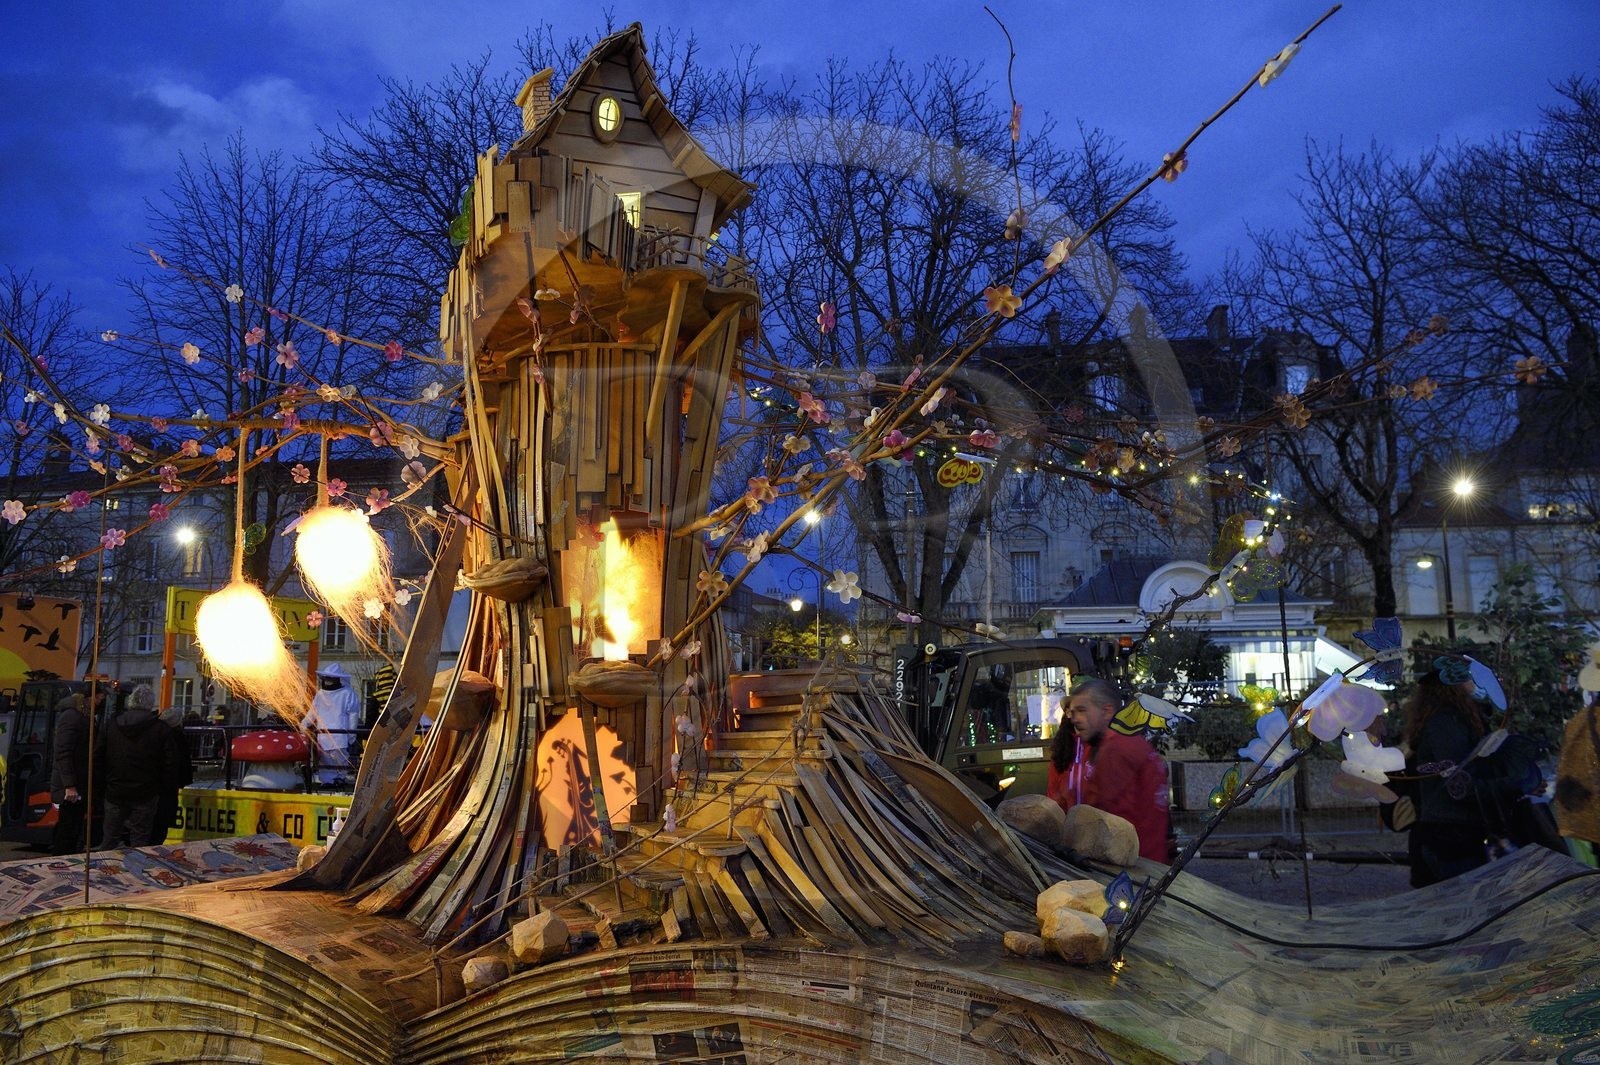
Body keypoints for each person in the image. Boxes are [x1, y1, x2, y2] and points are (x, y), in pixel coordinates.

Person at [1401, 666, 1537, 888]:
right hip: (1452, 839)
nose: (1475, 683)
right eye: (1468, 678)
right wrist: (1517, 785)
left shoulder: (1447, 721)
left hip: (1450, 834)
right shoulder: (1447, 724)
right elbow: (1461, 785)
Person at [1046, 677, 1172, 862]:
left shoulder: (1114, 750)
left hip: (1127, 864)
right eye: (1072, 712)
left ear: (1106, 711)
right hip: (1146, 861)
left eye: (1082, 710)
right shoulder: (1130, 743)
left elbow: (1105, 819)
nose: (1074, 718)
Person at [97, 684, 178, 848]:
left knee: (110, 838)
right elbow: (171, 764)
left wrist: (102, 784)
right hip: (146, 792)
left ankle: (105, 864)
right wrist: (160, 787)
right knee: (140, 839)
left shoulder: (112, 724)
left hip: (115, 790)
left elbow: (98, 756)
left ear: (131, 701)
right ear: (151, 704)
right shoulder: (161, 729)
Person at [49, 685, 106, 855]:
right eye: (99, 698)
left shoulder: (83, 717)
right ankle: (61, 862)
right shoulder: (72, 717)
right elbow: (63, 753)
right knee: (68, 830)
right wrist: (69, 785)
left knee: (73, 830)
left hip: (78, 783)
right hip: (71, 787)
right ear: (88, 697)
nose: (100, 702)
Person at [305, 662, 362, 785]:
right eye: (327, 678)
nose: (328, 681)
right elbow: (312, 712)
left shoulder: (347, 693)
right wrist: (304, 724)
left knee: (339, 759)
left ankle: (339, 779)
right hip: (324, 735)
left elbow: (353, 714)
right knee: (325, 759)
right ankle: (327, 782)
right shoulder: (320, 694)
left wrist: (351, 733)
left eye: (330, 678)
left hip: (339, 734)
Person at [151, 704, 195, 847]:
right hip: (168, 787)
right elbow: (182, 764)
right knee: (161, 825)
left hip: (152, 786)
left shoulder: (154, 734)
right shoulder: (177, 738)